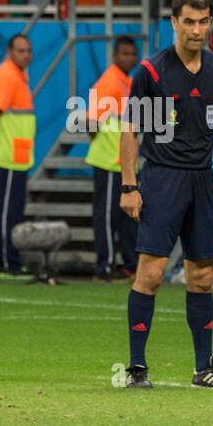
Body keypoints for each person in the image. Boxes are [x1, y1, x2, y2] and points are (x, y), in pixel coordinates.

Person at [119, 0, 213, 389]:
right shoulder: (152, 71)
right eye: (188, 22)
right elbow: (132, 130)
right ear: (173, 23)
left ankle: (203, 367)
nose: (196, 29)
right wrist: (128, 186)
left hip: (203, 180)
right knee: (151, 274)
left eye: (203, 21)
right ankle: (137, 367)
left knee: (202, 276)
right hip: (162, 178)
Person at [0, 34, 37, 279]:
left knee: (8, 211)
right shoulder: (7, 75)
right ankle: (5, 263)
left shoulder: (18, 75)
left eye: (29, 50)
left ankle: (5, 261)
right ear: (10, 52)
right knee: (6, 213)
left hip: (15, 156)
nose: (26, 55)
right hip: (7, 156)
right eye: (21, 50)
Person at [86, 36, 139, 282]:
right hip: (108, 160)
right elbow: (91, 122)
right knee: (106, 217)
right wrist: (107, 143)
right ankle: (104, 268)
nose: (130, 58)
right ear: (115, 56)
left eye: (132, 54)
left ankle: (129, 265)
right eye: (125, 54)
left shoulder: (126, 81)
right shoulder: (109, 81)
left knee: (126, 217)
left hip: (121, 162)